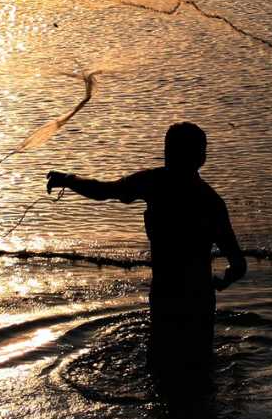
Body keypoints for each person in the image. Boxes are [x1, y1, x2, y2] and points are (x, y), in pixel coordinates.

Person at [46, 122, 246, 385]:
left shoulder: (154, 183)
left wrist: (68, 180)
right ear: (201, 157)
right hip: (197, 300)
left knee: (162, 373)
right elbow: (238, 264)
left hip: (167, 296)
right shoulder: (210, 201)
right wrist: (224, 280)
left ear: (168, 153)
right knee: (199, 376)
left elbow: (103, 190)